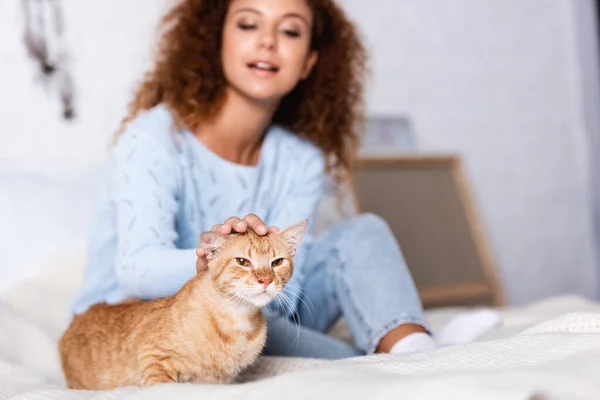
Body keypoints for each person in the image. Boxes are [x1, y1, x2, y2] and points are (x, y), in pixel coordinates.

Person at [70, 0, 498, 359]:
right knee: (300, 344)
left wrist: (260, 275)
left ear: (309, 62)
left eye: (290, 32)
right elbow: (134, 272)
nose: (267, 41)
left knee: (363, 233)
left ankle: (416, 350)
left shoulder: (301, 159)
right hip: (139, 320)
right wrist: (212, 260)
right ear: (216, 40)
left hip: (257, 303)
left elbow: (288, 297)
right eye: (248, 23)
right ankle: (426, 356)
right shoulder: (155, 137)